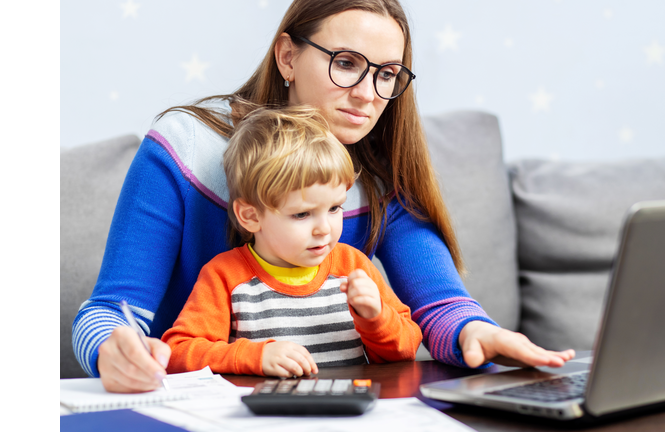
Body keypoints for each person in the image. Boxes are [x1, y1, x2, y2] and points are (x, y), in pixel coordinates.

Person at [72, 0, 574, 393]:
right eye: (347, 63)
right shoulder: (184, 147)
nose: (367, 94)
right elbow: (108, 312)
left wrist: (474, 331)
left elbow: (440, 306)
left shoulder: (378, 174)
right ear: (288, 56)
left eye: (385, 74)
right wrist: (113, 351)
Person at [160, 106, 422, 376]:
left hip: (349, 413)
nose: (324, 229)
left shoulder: (353, 266)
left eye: (334, 208)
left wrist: (376, 318)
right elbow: (178, 352)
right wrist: (255, 356)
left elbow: (407, 348)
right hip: (265, 414)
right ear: (250, 216)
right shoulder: (225, 276)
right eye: (302, 214)